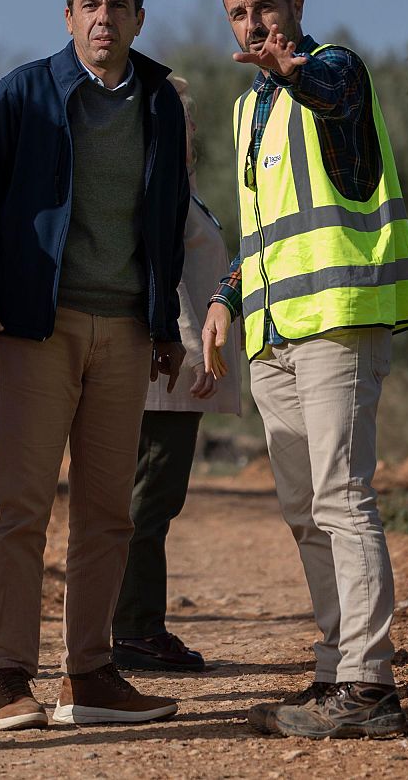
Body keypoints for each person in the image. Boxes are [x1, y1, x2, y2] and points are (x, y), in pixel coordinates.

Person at [0, 0, 189, 731]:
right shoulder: (26, 92)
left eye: (118, 6)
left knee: (108, 512)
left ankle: (89, 674)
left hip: (125, 330)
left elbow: (170, 214)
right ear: (67, 16)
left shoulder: (160, 99)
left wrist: (165, 321)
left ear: (138, 18)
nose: (103, 19)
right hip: (35, 328)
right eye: (89, 5)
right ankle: (7, 679)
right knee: (20, 508)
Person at [200, 0, 408, 740]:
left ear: (296, 6)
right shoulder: (246, 112)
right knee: (304, 510)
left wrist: (294, 72)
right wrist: (225, 300)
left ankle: (370, 684)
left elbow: (329, 94)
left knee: (341, 495)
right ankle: (338, 670)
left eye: (267, 7)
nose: (255, 23)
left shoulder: (334, 71)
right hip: (273, 334)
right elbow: (259, 230)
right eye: (239, 14)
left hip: (338, 319)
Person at [111, 76, 241, 674]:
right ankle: (133, 632)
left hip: (172, 366)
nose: (187, 130)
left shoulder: (180, 188)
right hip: (164, 371)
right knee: (148, 501)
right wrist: (195, 355)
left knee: (152, 501)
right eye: (174, 118)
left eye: (188, 120)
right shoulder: (154, 187)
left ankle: (137, 627)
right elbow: (161, 278)